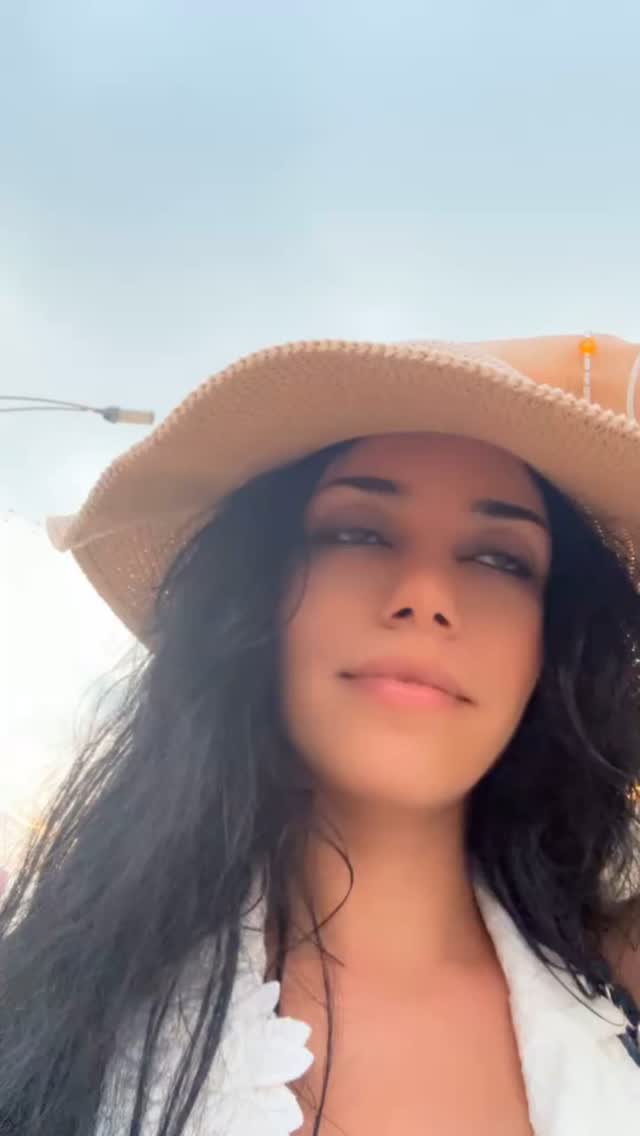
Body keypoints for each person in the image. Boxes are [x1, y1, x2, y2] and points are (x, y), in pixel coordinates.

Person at [1, 333, 640, 1135]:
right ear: (258, 598)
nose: (425, 595)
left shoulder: (621, 994)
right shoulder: (44, 1006)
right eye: (358, 533)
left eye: (500, 559)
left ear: (552, 643)